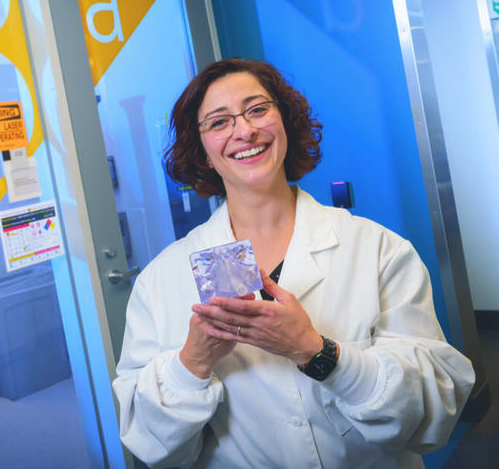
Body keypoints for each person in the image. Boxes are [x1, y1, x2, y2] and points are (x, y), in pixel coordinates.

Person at [112, 58, 475, 468]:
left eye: (257, 109)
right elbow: (147, 440)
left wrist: (318, 352)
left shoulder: (376, 249)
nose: (244, 130)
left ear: (285, 121)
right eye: (218, 122)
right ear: (203, 154)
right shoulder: (162, 280)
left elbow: (436, 406)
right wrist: (193, 361)